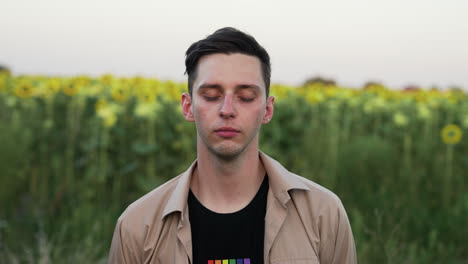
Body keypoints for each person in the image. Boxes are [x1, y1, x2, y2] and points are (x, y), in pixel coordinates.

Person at [108, 27, 357, 264]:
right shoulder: (137, 225)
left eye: (246, 96)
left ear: (268, 109)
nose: (227, 110)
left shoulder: (324, 214)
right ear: (187, 106)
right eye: (211, 96)